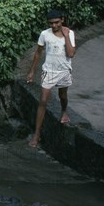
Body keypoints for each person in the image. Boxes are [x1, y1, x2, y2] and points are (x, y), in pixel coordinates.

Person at [26, 9, 76, 148]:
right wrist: (31, 72)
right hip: (49, 70)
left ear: (62, 20)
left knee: (63, 96)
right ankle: (37, 134)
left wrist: (65, 36)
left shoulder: (70, 33)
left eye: (57, 22)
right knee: (42, 100)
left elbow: (71, 54)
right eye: (51, 23)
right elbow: (38, 53)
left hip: (64, 70)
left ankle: (64, 111)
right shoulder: (44, 34)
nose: (54, 26)